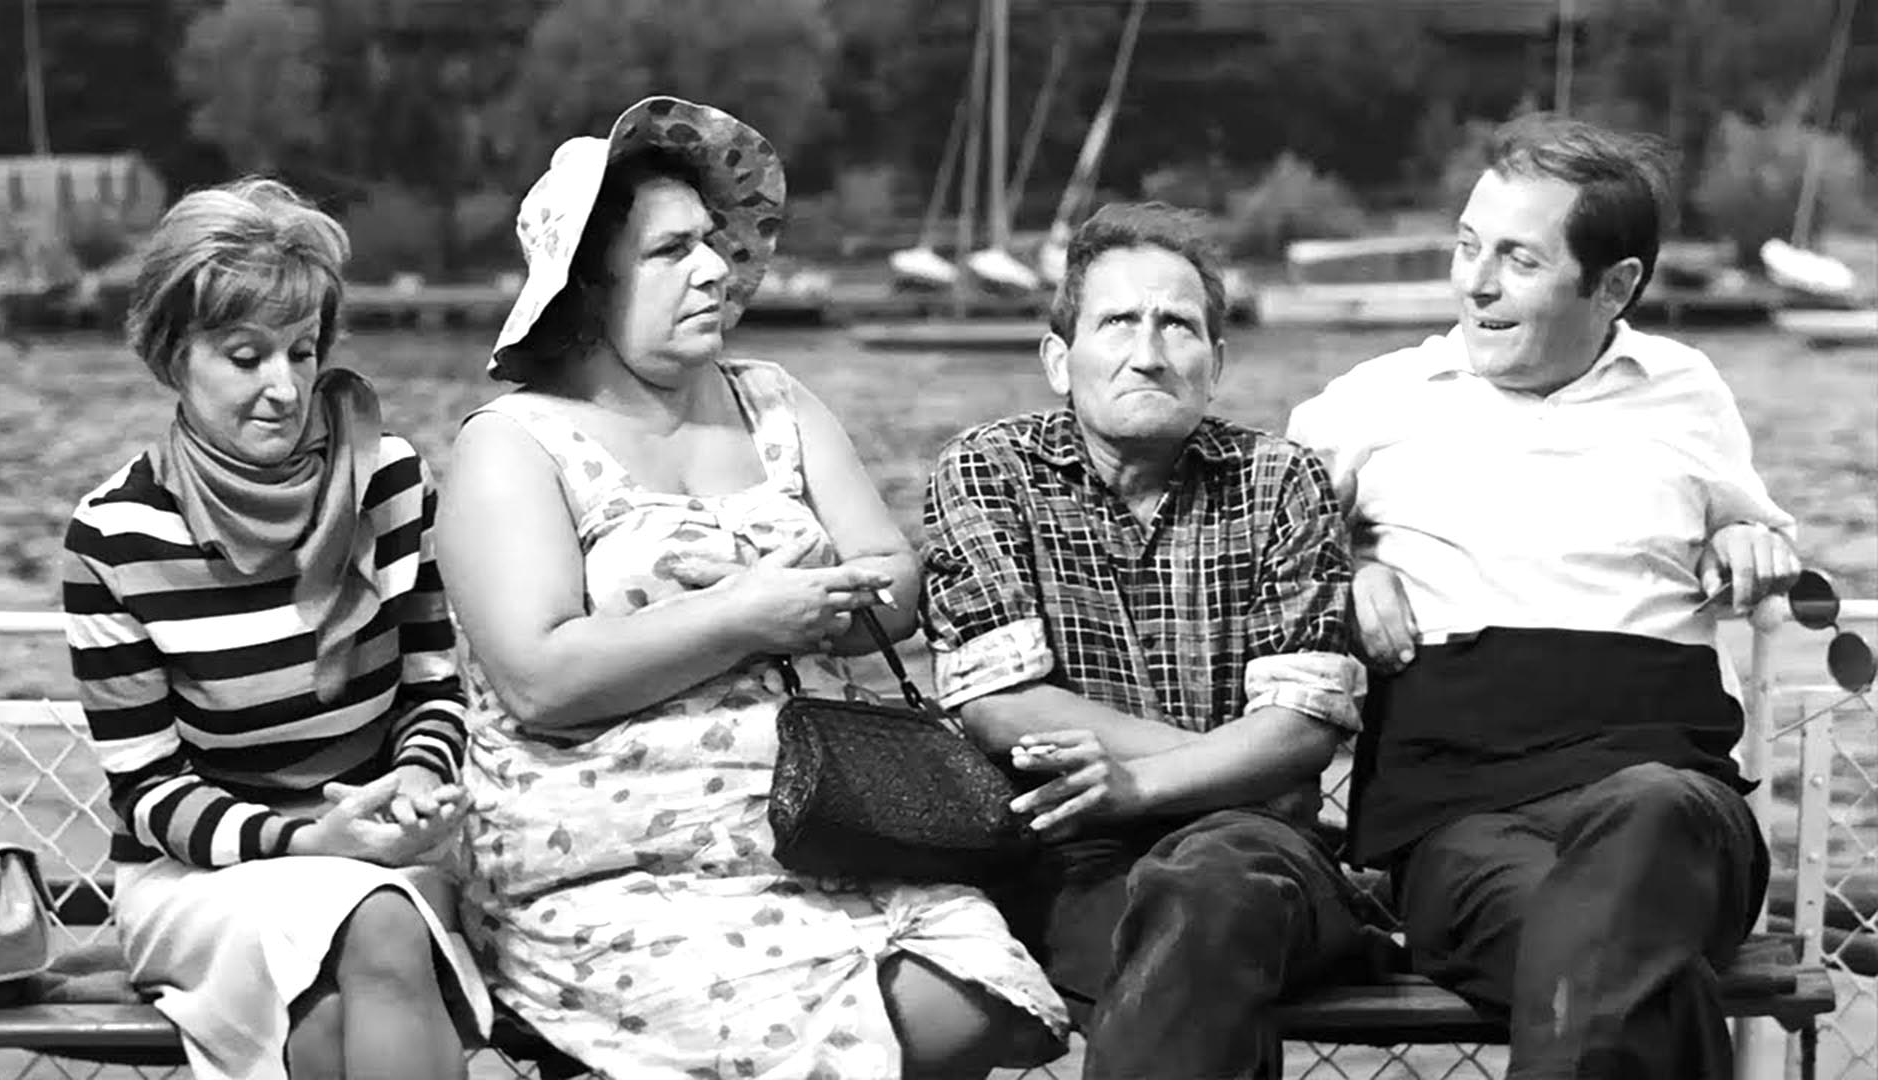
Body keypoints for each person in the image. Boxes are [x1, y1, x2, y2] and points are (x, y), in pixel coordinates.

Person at [438, 96, 1069, 1080]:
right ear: (588, 283)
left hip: (842, 826)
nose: (714, 270)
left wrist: (833, 604)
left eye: (713, 243)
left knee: (984, 999)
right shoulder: (514, 446)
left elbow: (895, 583)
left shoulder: (775, 399)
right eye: (671, 251)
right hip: (620, 860)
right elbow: (539, 678)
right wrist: (742, 616)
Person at [1287, 113, 1802, 1078]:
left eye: (1519, 260)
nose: (1475, 283)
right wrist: (1347, 571)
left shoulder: (1686, 390)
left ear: (1615, 286)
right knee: (1620, 967)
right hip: (1462, 821)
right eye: (1468, 246)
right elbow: (1257, 544)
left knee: (1646, 830)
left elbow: (1753, 526)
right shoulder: (1375, 402)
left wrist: (1744, 533)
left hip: (1669, 798)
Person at [919, 201, 1369, 1080]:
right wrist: (1232, 763)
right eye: (1119, 322)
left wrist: (1141, 783)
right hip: (1068, 852)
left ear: (1216, 363)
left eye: (1178, 326)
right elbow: (1001, 705)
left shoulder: (1281, 479)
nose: (1149, 351)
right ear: (1060, 359)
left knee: (1215, 887)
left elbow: (1301, 729)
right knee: (1192, 945)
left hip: (1261, 851)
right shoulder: (988, 469)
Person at [61, 178, 490, 1080]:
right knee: (375, 919)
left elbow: (434, 691)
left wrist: (417, 780)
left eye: (302, 351)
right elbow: (148, 792)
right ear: (174, 355)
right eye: (245, 356)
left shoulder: (389, 480)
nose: (284, 388)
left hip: (381, 845)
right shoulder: (114, 536)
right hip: (200, 878)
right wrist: (305, 842)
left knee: (335, 1004)